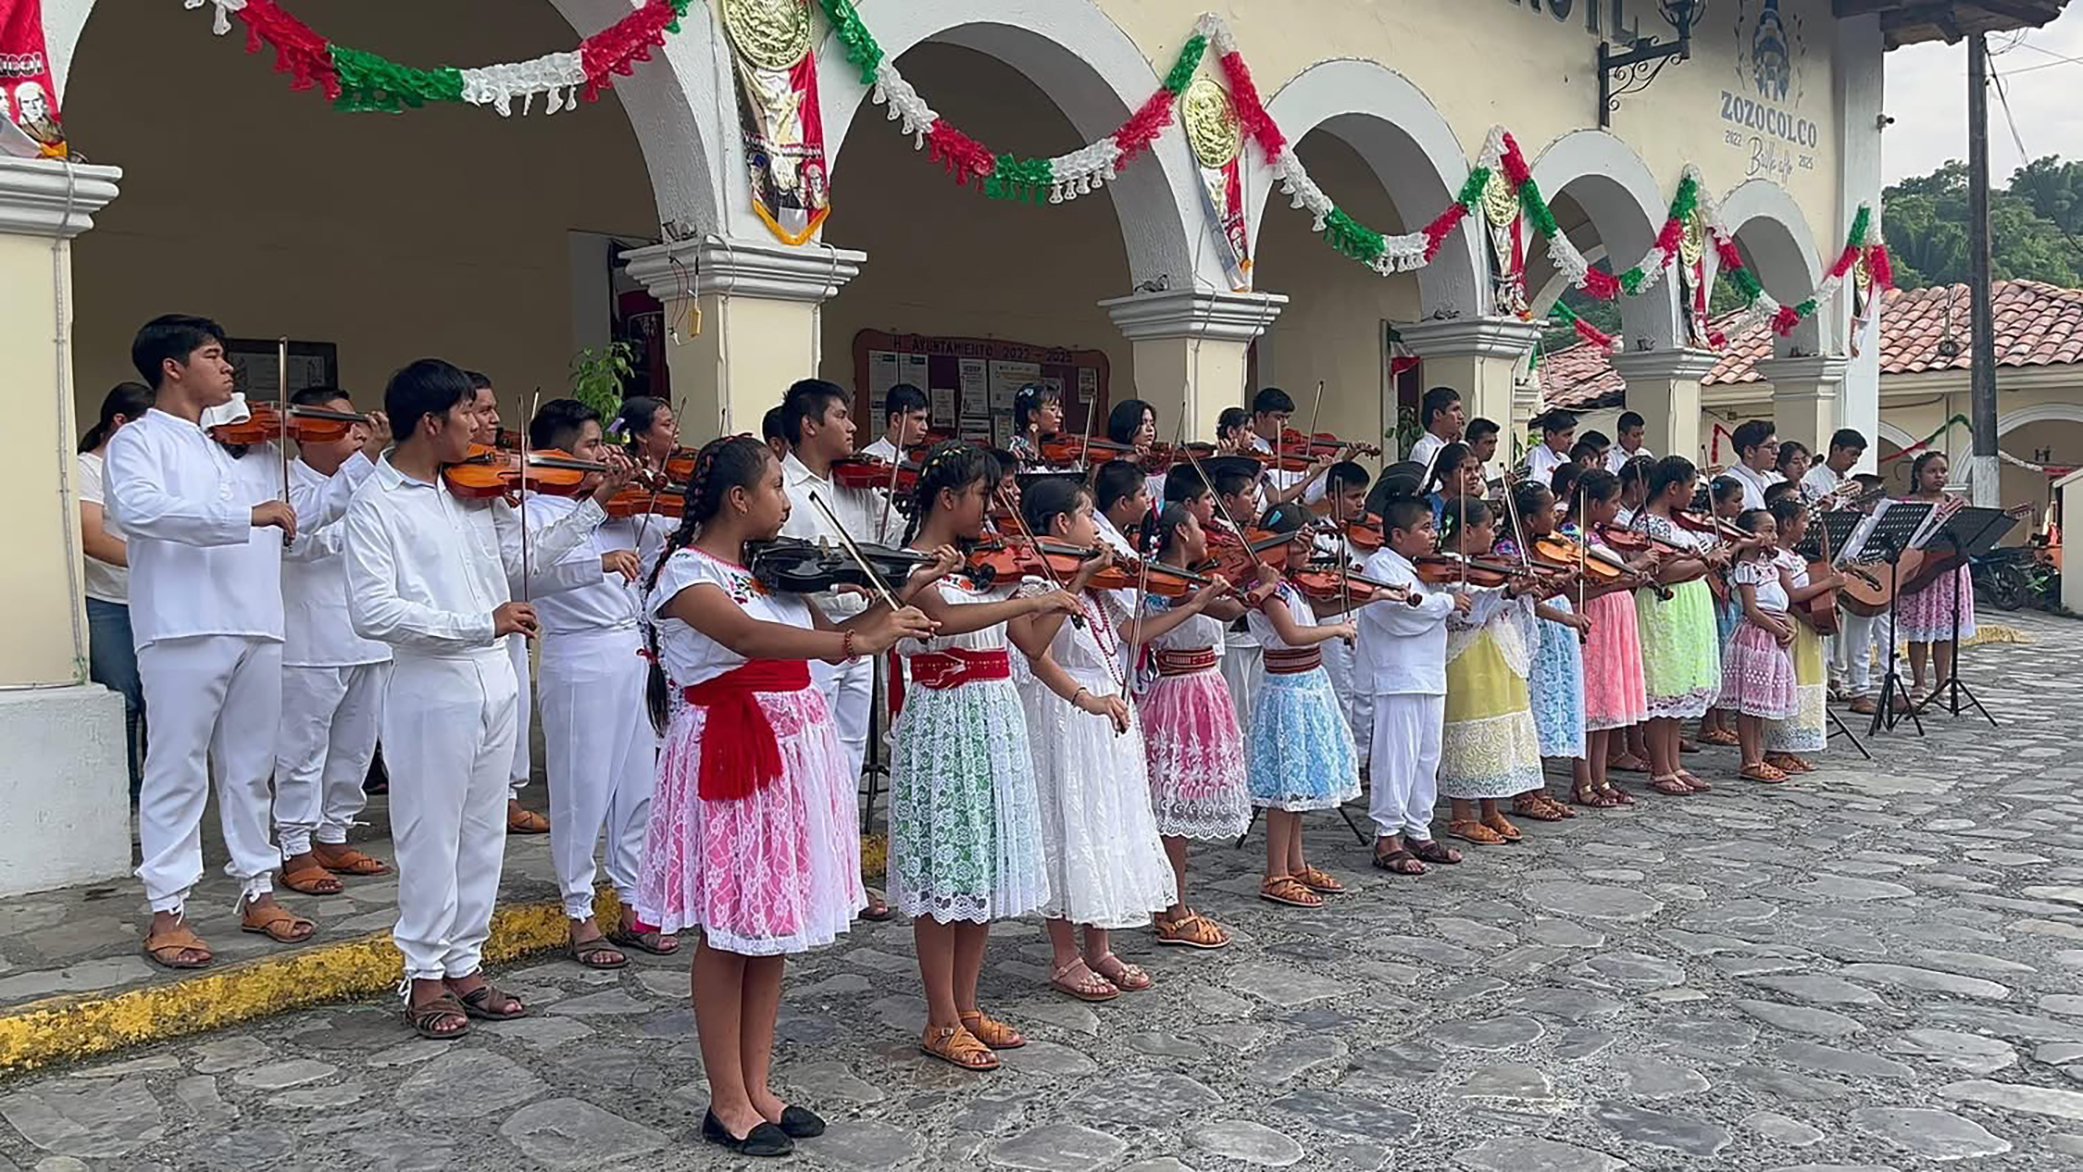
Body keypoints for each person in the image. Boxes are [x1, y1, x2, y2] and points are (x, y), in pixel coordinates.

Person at [637, 435, 938, 1156]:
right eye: (776, 486)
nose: (786, 499)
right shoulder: (687, 574)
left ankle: (758, 1085)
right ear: (739, 499)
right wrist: (852, 646)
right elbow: (745, 636)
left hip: (792, 747)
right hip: (732, 755)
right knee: (727, 930)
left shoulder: (773, 574)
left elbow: (847, 631)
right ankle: (725, 1100)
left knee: (767, 923)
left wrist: (894, 603)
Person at [344, 358, 630, 1039]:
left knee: (481, 836)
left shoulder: (468, 492)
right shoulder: (376, 504)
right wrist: (479, 624)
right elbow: (371, 611)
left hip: (495, 681)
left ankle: (466, 962)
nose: (484, 427)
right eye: (470, 414)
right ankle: (424, 976)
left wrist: (590, 506)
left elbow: (524, 564)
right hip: (430, 686)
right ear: (431, 423)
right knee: (428, 836)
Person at [107, 315, 314, 969]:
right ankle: (167, 909)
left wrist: (356, 454)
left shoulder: (246, 448)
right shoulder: (139, 441)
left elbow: (305, 512)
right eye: (213, 355)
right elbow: (138, 512)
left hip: (257, 619)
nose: (228, 368)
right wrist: (243, 516)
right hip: (182, 624)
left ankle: (257, 889)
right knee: (176, 767)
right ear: (173, 366)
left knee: (252, 771)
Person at [887, 443, 1079, 1072]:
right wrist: (1029, 598)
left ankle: (966, 1007)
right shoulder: (915, 565)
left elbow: (1025, 643)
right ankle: (939, 1017)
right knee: (946, 867)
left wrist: (1063, 590)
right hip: (947, 718)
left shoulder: (976, 566)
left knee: (979, 866)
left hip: (992, 714)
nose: (993, 505)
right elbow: (941, 620)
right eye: (982, 494)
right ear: (950, 498)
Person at [518, 399, 674, 969]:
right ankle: (579, 907)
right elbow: (532, 572)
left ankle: (631, 895)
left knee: (639, 786)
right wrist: (598, 520)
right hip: (579, 654)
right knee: (582, 789)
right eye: (589, 447)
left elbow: (657, 548)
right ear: (558, 454)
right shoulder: (532, 509)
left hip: (630, 649)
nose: (600, 457)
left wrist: (660, 490)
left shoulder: (613, 508)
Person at [1007, 477, 1174, 1000]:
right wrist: (1078, 580)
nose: (1095, 528)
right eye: (1086, 518)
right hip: (1066, 714)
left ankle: (1100, 943)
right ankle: (1065, 955)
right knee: (1068, 823)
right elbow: (1037, 650)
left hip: (1108, 714)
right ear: (1062, 525)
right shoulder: (1037, 584)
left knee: (1105, 823)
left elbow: (1128, 630)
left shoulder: (1097, 584)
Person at [274, 387, 395, 898]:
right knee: (303, 748)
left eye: (356, 426)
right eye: (342, 426)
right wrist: (367, 462)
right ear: (309, 432)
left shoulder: (372, 480)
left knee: (356, 746)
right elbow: (302, 539)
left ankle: (333, 832)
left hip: (368, 633)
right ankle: (294, 844)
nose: (355, 433)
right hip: (310, 636)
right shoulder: (286, 482)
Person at [1132, 505, 1249, 948]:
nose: (1206, 535)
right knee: (1173, 810)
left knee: (1182, 806)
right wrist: (1200, 595)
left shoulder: (1196, 579)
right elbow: (1174, 613)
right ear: (1182, 530)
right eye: (1200, 526)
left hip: (1203, 688)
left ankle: (1174, 900)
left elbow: (1229, 609)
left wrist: (1254, 577)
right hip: (1178, 692)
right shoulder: (1162, 583)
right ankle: (1171, 908)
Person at [1243, 511, 1362, 902]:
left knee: (1300, 783)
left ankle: (1295, 863)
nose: (1307, 551)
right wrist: (1339, 629)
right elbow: (1292, 634)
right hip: (1287, 689)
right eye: (1298, 543)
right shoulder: (1269, 591)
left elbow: (1312, 613)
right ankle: (1275, 872)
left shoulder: (1289, 586)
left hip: (1308, 685)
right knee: (1286, 785)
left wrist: (1370, 596)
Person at [1359, 496, 1470, 875]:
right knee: (1396, 758)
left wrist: (1501, 593)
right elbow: (1398, 616)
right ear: (1397, 534)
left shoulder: (1428, 570)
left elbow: (1457, 611)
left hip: (1430, 674)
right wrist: (1445, 603)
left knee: (1426, 759)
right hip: (1397, 676)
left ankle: (1418, 829)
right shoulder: (1380, 566)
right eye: (1424, 527)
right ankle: (1387, 835)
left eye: (1432, 526)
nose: (1433, 534)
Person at [464, 370, 551, 836]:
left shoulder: (496, 484)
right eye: (481, 410)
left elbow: (523, 557)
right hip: (464, 629)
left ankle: (508, 796)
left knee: (513, 710)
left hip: (508, 615)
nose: (494, 419)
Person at [1435, 497, 1544, 846]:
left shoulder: (1485, 564)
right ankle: (1461, 815)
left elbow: (1497, 601)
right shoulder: (1445, 568)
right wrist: (1507, 590)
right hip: (1468, 656)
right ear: (1467, 531)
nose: (1494, 533)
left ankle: (1490, 807)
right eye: (1489, 527)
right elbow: (1464, 612)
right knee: (1469, 730)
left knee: (1502, 723)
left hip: (1499, 651)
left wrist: (1514, 591)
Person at [1631, 456, 1729, 797]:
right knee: (1665, 685)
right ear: (1672, 487)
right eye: (1690, 487)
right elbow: (1656, 574)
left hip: (1689, 604)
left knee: (1681, 687)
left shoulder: (1677, 524)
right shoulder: (1648, 524)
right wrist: (1703, 562)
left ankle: (1674, 763)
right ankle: (1660, 768)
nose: (1693, 496)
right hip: (1666, 604)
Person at [77, 381, 155, 798]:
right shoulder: (86, 468)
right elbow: (90, 537)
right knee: (123, 697)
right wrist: (157, 566)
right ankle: (126, 791)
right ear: (118, 422)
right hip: (108, 601)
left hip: (151, 599)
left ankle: (159, 795)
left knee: (159, 702)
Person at [1495, 480, 1588, 823]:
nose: (1556, 515)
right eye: (1549, 511)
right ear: (1530, 520)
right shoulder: (1507, 549)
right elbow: (1526, 597)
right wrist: (1564, 610)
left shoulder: (1543, 544)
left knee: (1546, 711)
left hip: (1548, 635)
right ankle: (1524, 794)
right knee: (1530, 710)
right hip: (1524, 635)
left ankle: (1540, 789)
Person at [1573, 470, 1657, 807]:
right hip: (1598, 617)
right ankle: (1582, 782)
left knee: (1606, 702)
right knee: (1592, 701)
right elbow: (1589, 585)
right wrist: (1633, 568)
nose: (1617, 509)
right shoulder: (1573, 536)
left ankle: (1599, 777)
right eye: (1612, 503)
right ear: (1594, 503)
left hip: (1616, 616)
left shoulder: (1599, 535)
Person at [1718, 509, 1800, 783]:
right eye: (1766, 530)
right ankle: (1749, 759)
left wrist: (1786, 627)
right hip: (1757, 636)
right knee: (1749, 703)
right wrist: (1779, 628)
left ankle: (1759, 754)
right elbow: (1752, 609)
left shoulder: (1769, 564)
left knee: (1760, 702)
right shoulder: (1745, 568)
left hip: (1774, 633)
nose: (1773, 536)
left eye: (1774, 529)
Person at [1764, 496, 1841, 774]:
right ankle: (1776, 748)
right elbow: (1791, 595)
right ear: (1787, 523)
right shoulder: (1779, 558)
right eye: (1804, 520)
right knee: (1791, 684)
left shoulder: (1797, 557)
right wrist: (1829, 582)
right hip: (1792, 624)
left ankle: (1791, 746)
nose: (1807, 526)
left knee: (1808, 682)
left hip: (1807, 629)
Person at [1893, 451, 1975, 704]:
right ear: (1918, 475)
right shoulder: (1907, 504)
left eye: (1943, 471)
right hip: (1920, 570)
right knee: (1920, 628)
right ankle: (1919, 682)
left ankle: (1943, 682)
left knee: (1945, 630)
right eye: (1932, 471)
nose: (1939, 476)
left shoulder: (1958, 503)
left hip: (1951, 571)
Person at [1211, 461, 1266, 733]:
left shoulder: (1245, 532)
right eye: (1247, 494)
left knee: (1253, 705)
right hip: (1232, 633)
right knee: (1236, 707)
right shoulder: (1216, 536)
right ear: (1228, 501)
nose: (1254, 499)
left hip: (1253, 629)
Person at [1697, 476, 1748, 749]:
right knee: (1715, 657)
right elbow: (1713, 559)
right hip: (1713, 597)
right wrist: (1738, 545)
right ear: (1717, 503)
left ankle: (1721, 721)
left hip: (1728, 598)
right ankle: (1708, 724)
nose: (1739, 506)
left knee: (1726, 661)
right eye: (1735, 501)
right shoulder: (1703, 529)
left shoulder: (1727, 528)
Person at [1249, 387, 1336, 508]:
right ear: (1260, 417)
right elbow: (1273, 500)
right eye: (1279, 417)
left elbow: (1309, 496)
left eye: (1287, 418)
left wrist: (1326, 469)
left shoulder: (1288, 451)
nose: (1285, 424)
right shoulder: (1251, 451)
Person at [866, 383, 929, 463]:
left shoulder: (921, 458)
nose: (925, 427)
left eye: (925, 419)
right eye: (918, 419)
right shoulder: (870, 457)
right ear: (896, 420)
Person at [1724, 420, 1780, 509]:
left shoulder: (1777, 480)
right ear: (1749, 451)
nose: (1777, 451)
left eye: (1777, 446)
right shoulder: (1729, 482)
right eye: (1770, 447)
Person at [1407, 386, 1464, 470]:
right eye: (1455, 410)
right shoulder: (1424, 449)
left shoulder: (1454, 447)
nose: (1461, 416)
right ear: (1437, 414)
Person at [1008, 383, 1063, 467]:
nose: (1060, 415)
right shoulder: (1017, 454)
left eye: (1060, 410)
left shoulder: (1042, 451)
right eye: (1053, 409)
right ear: (1032, 414)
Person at [1803, 428, 1866, 502]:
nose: (1855, 461)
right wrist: (1835, 494)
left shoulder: (1849, 483)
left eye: (1858, 456)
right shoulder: (1811, 479)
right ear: (1836, 449)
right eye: (1852, 454)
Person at [1526, 410, 1577, 486]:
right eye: (1566, 435)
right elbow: (1534, 486)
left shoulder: (1566, 460)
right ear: (1549, 435)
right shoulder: (1537, 454)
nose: (1571, 441)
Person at [1466, 417, 1503, 481]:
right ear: (1471, 443)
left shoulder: (1490, 471)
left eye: (1494, 442)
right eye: (1488, 443)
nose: (1493, 448)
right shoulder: (1461, 471)